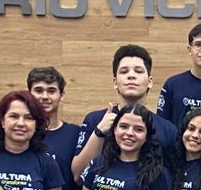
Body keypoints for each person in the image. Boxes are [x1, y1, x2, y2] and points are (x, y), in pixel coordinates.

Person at [73, 44, 181, 180]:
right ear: (115, 82)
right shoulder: (95, 120)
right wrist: (99, 133)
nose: (131, 76)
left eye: (138, 71)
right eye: (124, 72)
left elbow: (174, 182)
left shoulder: (167, 130)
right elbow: (78, 176)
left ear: (150, 81)